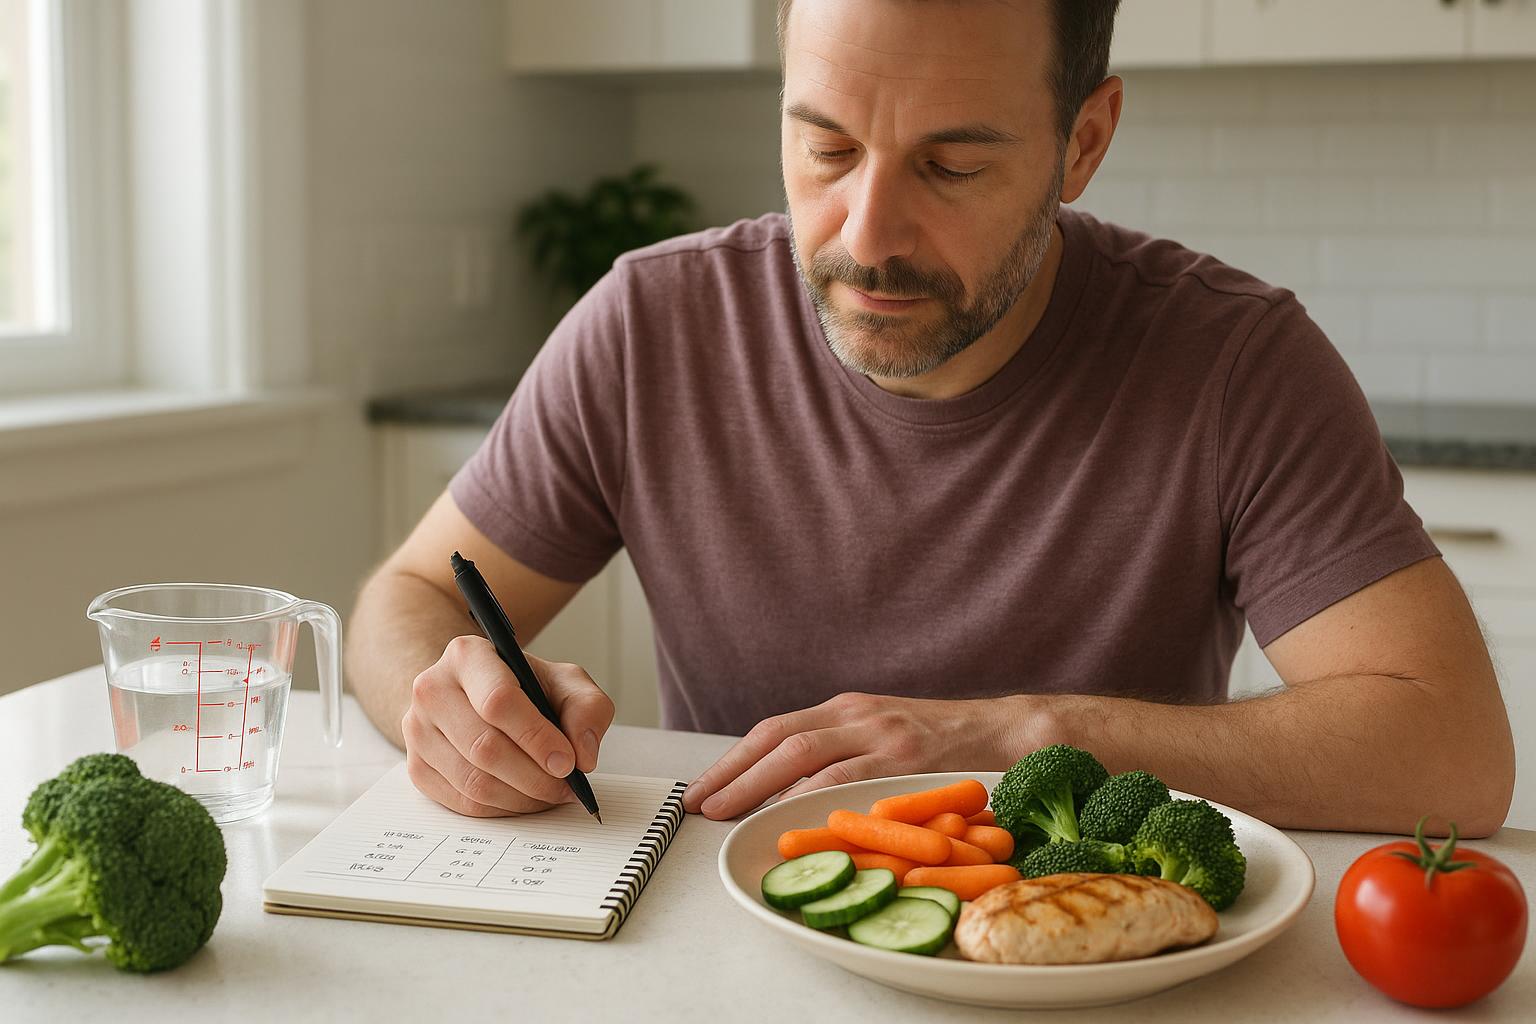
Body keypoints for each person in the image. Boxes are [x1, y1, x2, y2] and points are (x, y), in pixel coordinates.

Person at [347, 0, 1514, 837]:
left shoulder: (1233, 362)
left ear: (1084, 142)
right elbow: (412, 597)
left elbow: (1450, 751)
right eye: (826, 148)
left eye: (951, 166)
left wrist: (1028, 735)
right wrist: (448, 700)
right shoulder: (653, 322)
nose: (868, 234)